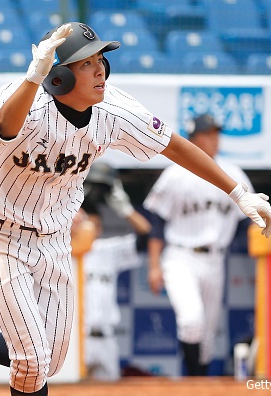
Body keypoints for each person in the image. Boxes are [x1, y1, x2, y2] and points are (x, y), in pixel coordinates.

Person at [0, 23, 271, 396]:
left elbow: (174, 145)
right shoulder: (24, 99)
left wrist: (237, 193)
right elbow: (7, 127)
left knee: (51, 361)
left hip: (54, 239)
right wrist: (32, 77)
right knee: (32, 362)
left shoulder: (115, 110)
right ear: (58, 77)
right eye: (85, 63)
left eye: (101, 60)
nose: (100, 69)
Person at [143, 113, 255, 376]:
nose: (214, 139)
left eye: (216, 134)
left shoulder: (233, 173)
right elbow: (156, 223)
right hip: (180, 257)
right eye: (207, 134)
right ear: (192, 139)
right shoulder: (174, 174)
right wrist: (153, 266)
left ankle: (198, 385)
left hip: (215, 260)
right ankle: (193, 383)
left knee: (206, 337)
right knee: (191, 321)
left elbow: (248, 219)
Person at [80, 161, 151, 381]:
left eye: (96, 226)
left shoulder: (106, 250)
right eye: (86, 226)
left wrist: (126, 210)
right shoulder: (62, 251)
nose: (92, 231)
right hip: (77, 338)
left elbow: (145, 234)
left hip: (106, 338)